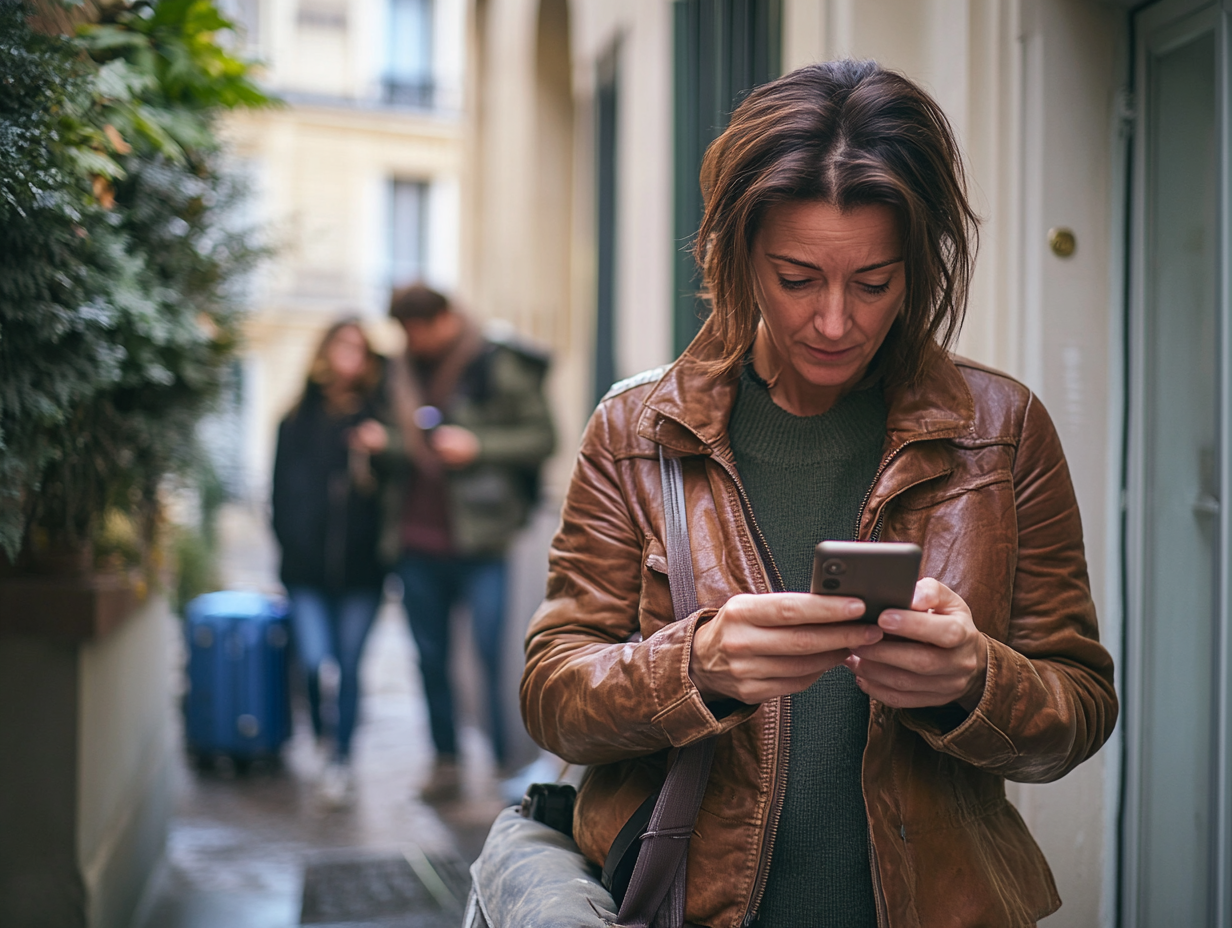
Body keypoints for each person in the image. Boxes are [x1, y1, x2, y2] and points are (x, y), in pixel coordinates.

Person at [520, 60, 1118, 928]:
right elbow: (552, 694)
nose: (835, 322)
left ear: (918, 267)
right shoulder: (637, 428)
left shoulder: (1001, 429)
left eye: (873, 283)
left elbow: (1081, 707)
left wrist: (974, 678)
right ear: (739, 257)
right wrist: (695, 667)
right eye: (797, 278)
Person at [385, 283, 555, 800]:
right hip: (416, 541)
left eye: (420, 329)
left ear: (445, 319)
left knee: (491, 653)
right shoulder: (400, 371)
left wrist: (477, 446)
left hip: (482, 541)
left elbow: (542, 437)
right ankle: (446, 762)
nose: (414, 340)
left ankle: (505, 765)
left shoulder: (494, 361)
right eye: (405, 331)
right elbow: (399, 441)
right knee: (429, 658)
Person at [272, 318, 390, 807]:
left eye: (359, 348)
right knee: (314, 660)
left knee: (349, 665)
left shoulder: (378, 417)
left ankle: (340, 757)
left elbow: (396, 489)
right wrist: (291, 543)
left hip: (363, 571)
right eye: (341, 345)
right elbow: (279, 494)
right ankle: (324, 742)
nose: (349, 355)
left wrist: (381, 449)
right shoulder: (296, 419)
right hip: (306, 572)